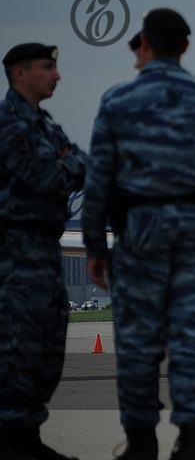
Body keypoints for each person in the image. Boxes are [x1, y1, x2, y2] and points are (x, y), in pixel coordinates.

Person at [83, 8, 195, 460]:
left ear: (146, 45)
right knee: (190, 330)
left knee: (138, 338)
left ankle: (141, 440)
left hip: (139, 231)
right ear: (186, 47)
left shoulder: (118, 101)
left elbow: (98, 180)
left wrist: (95, 244)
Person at [0, 43, 86, 460]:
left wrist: (69, 162)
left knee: (47, 352)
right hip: (15, 256)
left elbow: (82, 165)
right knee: (17, 349)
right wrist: (68, 162)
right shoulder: (10, 126)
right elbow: (51, 175)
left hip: (44, 253)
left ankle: (27, 439)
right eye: (48, 67)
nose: (57, 76)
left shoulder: (44, 126)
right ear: (20, 73)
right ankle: (12, 440)